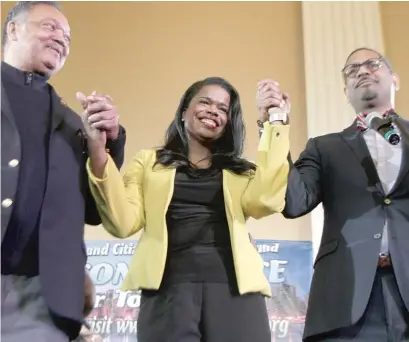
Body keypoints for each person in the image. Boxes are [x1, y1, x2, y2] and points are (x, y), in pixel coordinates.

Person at [84, 76, 291, 342]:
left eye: (222, 108)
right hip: (168, 294)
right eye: (205, 102)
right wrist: (99, 154)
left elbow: (266, 202)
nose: (213, 110)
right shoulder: (149, 162)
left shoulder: (242, 171)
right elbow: (123, 222)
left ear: (228, 123)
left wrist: (275, 122)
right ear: (184, 111)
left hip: (236, 294)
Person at [257, 48, 409, 341]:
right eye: (352, 70)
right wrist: (275, 125)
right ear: (345, 92)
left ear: (395, 80)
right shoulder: (325, 147)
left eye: (372, 64)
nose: (362, 71)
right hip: (346, 299)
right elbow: (294, 202)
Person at [1, 2, 126, 341]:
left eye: (68, 37)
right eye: (50, 27)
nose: (61, 39)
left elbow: (93, 211)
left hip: (42, 300)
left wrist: (108, 141)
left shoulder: (74, 125)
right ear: (12, 29)